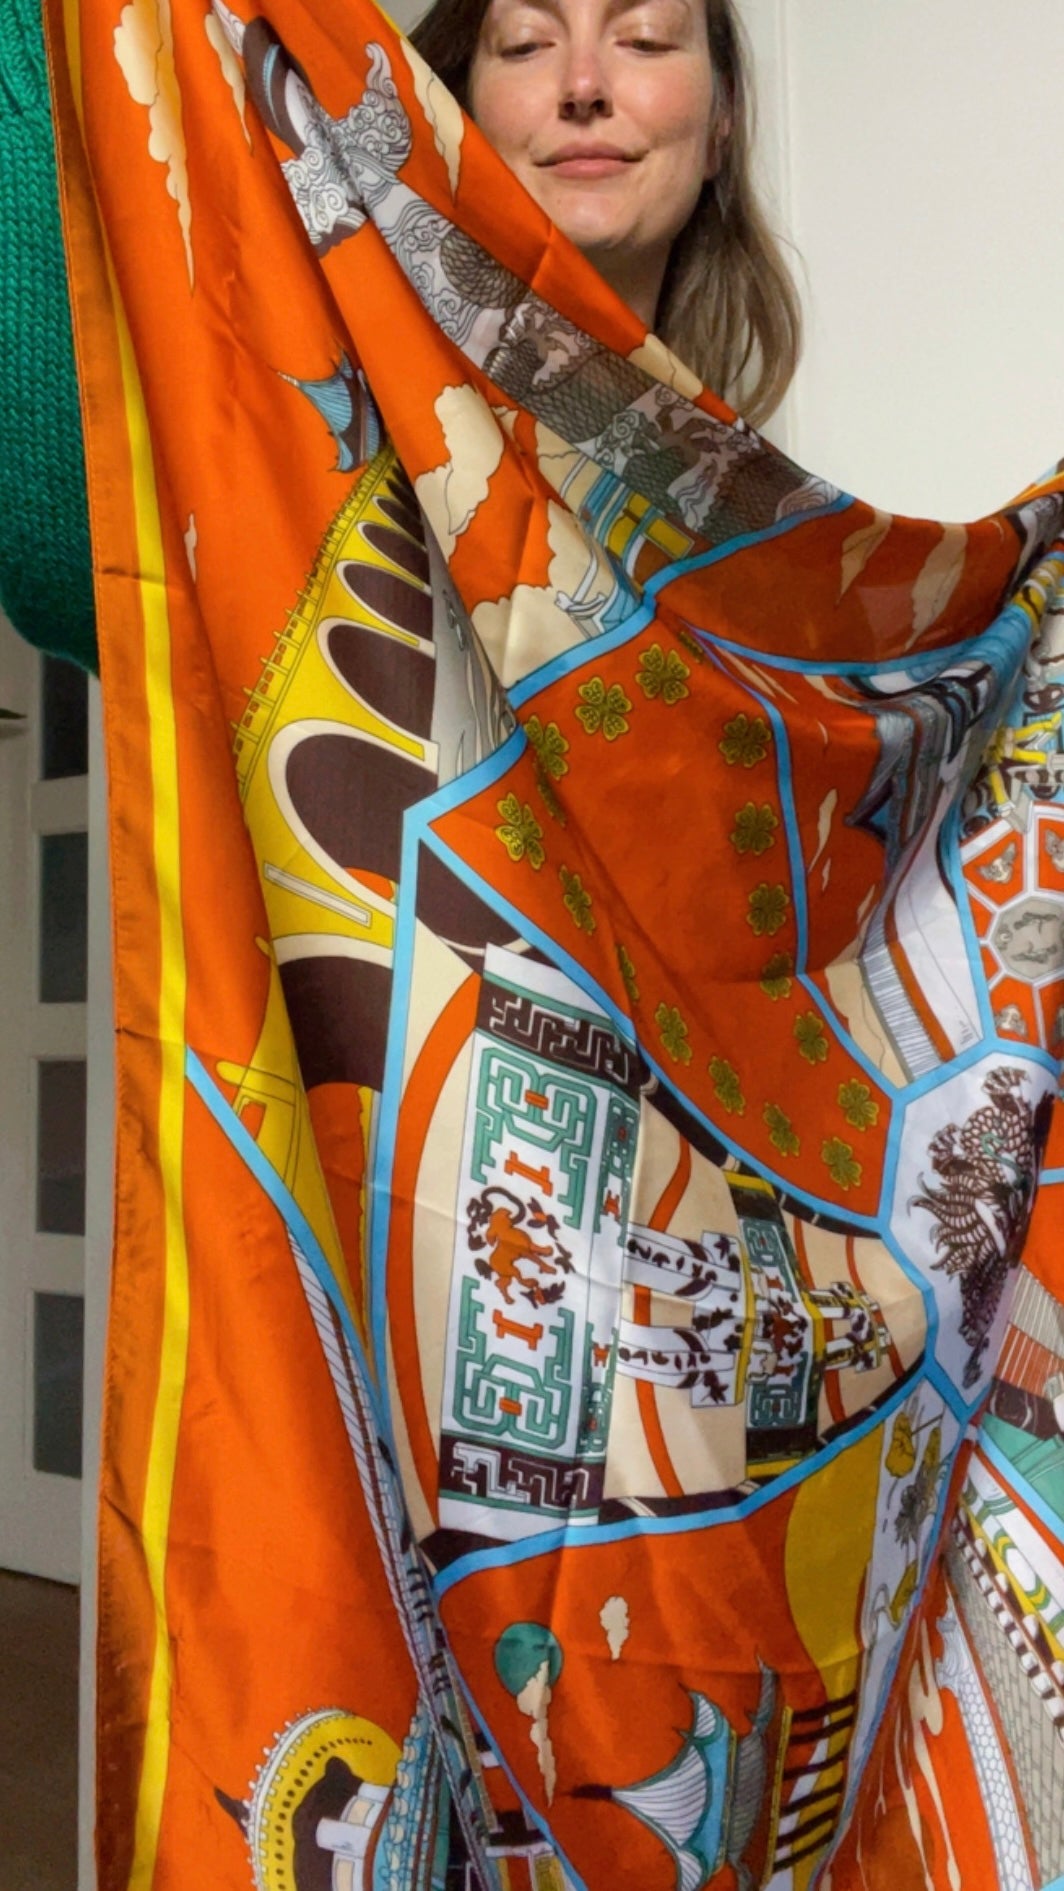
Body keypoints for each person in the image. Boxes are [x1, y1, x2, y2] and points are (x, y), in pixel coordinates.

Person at [11, 3, 1064, 1889]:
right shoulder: (270, 429)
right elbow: (53, 491)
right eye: (524, 36)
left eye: (645, 34)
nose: (585, 80)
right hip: (373, 1316)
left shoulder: (792, 607)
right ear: (439, 96)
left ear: (717, 122)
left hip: (690, 1399)